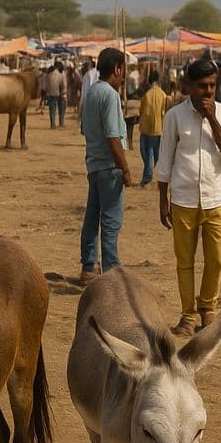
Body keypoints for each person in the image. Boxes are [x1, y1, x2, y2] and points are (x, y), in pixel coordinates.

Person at [156, 59, 221, 337]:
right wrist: (162, 199)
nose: (208, 92)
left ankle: (208, 307)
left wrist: (212, 118)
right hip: (183, 199)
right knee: (185, 262)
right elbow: (165, 158)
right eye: (202, 86)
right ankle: (188, 315)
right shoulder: (175, 116)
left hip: (216, 198)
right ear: (188, 86)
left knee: (216, 259)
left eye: (212, 86)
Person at [77, 47, 134, 285]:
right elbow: (113, 136)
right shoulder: (109, 95)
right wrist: (126, 168)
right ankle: (111, 272)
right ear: (117, 69)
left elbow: (85, 128)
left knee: (92, 217)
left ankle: (88, 266)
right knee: (111, 221)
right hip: (110, 166)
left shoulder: (91, 92)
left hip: (94, 164)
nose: (123, 76)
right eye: (123, 70)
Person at [138, 70, 167, 186]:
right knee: (156, 154)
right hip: (159, 128)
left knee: (148, 153)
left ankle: (148, 176)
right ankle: (156, 175)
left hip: (146, 128)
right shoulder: (163, 95)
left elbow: (141, 110)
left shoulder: (147, 94)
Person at [46, 61, 67, 128]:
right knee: (61, 109)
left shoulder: (49, 73)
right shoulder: (62, 74)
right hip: (60, 93)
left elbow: (46, 85)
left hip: (50, 94)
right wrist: (63, 93)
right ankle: (61, 124)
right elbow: (64, 84)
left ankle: (52, 124)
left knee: (52, 110)